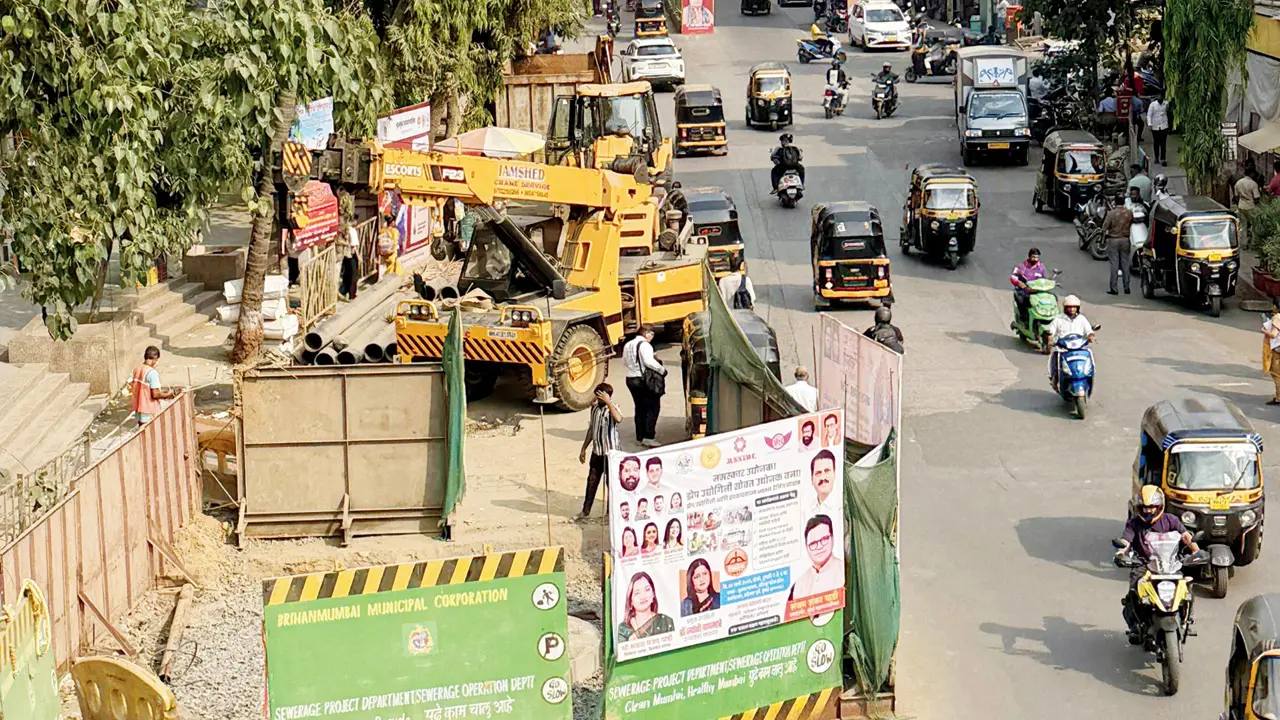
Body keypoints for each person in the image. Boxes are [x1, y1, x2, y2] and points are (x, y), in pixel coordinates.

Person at [1114, 486, 1200, 641]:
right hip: (1143, 565)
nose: (1148, 511)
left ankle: (1186, 620)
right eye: (1144, 507)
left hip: (1169, 564)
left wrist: (1196, 552)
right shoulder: (1134, 524)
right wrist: (1120, 553)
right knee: (1134, 592)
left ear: (1160, 506)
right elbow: (1126, 541)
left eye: (1152, 507)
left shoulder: (1171, 520)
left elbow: (1186, 536)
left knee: (1186, 588)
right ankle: (1135, 626)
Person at [578, 383, 622, 520]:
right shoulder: (594, 409)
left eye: (601, 396)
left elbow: (618, 419)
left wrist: (609, 403)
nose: (598, 398)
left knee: (611, 484)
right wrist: (584, 448)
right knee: (591, 482)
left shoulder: (613, 408)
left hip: (611, 454)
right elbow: (592, 429)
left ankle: (610, 514)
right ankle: (585, 511)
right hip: (597, 452)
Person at [623, 326, 666, 448]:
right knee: (653, 407)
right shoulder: (645, 345)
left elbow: (624, 362)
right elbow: (649, 362)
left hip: (630, 379)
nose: (652, 337)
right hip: (642, 380)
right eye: (652, 334)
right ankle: (649, 437)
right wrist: (662, 370)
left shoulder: (628, 344)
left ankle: (640, 437)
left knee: (640, 408)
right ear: (646, 333)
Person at [788, 515, 843, 600]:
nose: (819, 546)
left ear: (832, 538)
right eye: (813, 543)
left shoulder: (845, 570)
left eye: (824, 539)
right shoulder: (799, 585)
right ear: (806, 547)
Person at [1045, 295, 1096, 381]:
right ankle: (1053, 376)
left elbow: (1089, 330)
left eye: (1074, 307)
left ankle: (1090, 374)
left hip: (1079, 347)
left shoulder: (1081, 319)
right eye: (1069, 307)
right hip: (1063, 348)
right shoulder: (1058, 319)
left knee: (1089, 353)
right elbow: (1051, 331)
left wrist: (1091, 336)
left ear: (1077, 308)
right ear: (1065, 308)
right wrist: (1050, 340)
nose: (1072, 309)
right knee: (1054, 356)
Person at [130, 346, 180, 427]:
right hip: (149, 411)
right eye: (157, 360)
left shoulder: (137, 369)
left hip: (139, 409)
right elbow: (155, 394)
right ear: (155, 358)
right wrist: (170, 394)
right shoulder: (152, 373)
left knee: (142, 429)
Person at [617, 572, 675, 641]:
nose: (643, 596)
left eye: (647, 590)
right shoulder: (623, 628)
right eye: (637, 593)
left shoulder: (666, 622)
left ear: (653, 594)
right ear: (630, 600)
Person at [1102, 197, 1134, 295]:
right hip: (1125, 239)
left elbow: (1104, 227)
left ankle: (1114, 288)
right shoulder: (1129, 213)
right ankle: (1127, 287)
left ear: (1115, 202)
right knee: (1125, 264)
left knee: (1114, 264)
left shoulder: (1111, 213)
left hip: (1113, 239)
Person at [1010, 247, 1047, 325]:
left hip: (1036, 291)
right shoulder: (1021, 267)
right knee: (1023, 299)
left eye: (1037, 257)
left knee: (1051, 297)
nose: (1035, 259)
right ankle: (1024, 319)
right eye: (1033, 257)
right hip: (1023, 290)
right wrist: (1021, 285)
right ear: (1029, 256)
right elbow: (1013, 278)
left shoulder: (1041, 268)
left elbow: (1044, 279)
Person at [1236, 169, 1263, 247]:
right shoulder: (1253, 184)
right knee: (1254, 225)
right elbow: (1256, 197)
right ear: (1251, 174)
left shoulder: (1238, 183)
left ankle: (1243, 244)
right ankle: (1254, 243)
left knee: (1243, 226)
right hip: (1250, 206)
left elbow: (1236, 196)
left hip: (1241, 206)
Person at [809, 449, 839, 518]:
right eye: (818, 473)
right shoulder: (806, 511)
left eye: (827, 471)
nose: (823, 478)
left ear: (834, 474)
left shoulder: (841, 506)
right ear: (812, 479)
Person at [1261, 298, 1280, 405]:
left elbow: (1273, 334)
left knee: (1276, 374)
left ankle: (1278, 397)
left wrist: (1264, 330)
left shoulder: (1277, 318)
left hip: (1278, 350)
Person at [1146, 93, 1170, 166]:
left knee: (1163, 143)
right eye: (1159, 96)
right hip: (1155, 126)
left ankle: (1163, 158)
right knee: (1156, 143)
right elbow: (1149, 115)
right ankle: (1156, 157)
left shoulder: (1166, 103)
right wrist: (1149, 124)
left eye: (1161, 96)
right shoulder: (1153, 105)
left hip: (1164, 125)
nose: (1160, 98)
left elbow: (1168, 111)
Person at [339, 223, 360, 300]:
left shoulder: (344, 230)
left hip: (345, 255)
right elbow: (353, 246)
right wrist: (358, 256)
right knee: (353, 275)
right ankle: (352, 294)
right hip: (351, 255)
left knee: (347, 274)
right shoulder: (352, 231)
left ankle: (343, 291)